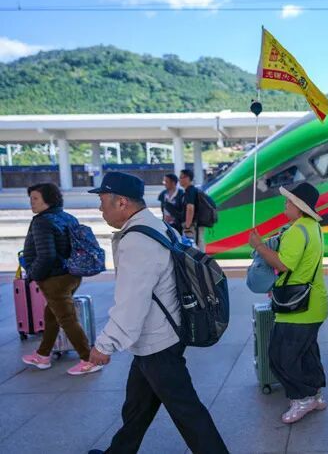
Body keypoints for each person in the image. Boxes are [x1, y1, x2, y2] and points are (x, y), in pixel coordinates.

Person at [86, 172, 228, 454]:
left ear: (122, 202)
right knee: (137, 407)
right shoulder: (157, 225)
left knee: (187, 411)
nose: (100, 208)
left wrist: (105, 344)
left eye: (102, 201)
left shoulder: (136, 242)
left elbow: (131, 303)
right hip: (165, 331)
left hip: (157, 341)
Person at [249, 182, 328, 425]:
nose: (285, 205)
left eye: (288, 202)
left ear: (299, 206)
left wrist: (259, 246)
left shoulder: (297, 230)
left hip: (297, 307)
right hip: (314, 303)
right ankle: (315, 394)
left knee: (280, 356)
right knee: (307, 353)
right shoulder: (313, 227)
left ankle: (302, 398)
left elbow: (283, 264)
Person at [20, 183, 103, 376]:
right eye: (30, 198)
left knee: (66, 319)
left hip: (54, 279)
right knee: (52, 315)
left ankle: (89, 360)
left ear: (48, 199)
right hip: (72, 275)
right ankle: (42, 355)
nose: (31, 203)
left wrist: (33, 274)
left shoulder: (42, 222)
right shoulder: (67, 217)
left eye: (35, 198)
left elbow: (46, 256)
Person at [179, 169, 205, 251]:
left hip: (192, 225)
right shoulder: (191, 190)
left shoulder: (190, 191)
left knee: (194, 247)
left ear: (187, 178)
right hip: (194, 225)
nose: (180, 180)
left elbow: (190, 208)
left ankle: (200, 259)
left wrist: (187, 226)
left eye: (181, 177)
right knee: (196, 245)